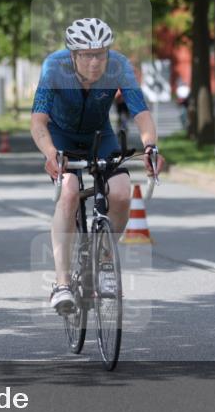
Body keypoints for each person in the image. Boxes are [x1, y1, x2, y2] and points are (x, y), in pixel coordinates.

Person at [31, 18, 166, 315]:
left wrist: (150, 146)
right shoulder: (54, 67)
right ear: (73, 55)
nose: (95, 62)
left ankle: (102, 256)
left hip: (99, 135)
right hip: (61, 137)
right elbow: (38, 121)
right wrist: (51, 152)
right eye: (87, 55)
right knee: (68, 190)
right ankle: (62, 283)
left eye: (100, 54)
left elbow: (140, 112)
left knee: (120, 193)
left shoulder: (118, 66)